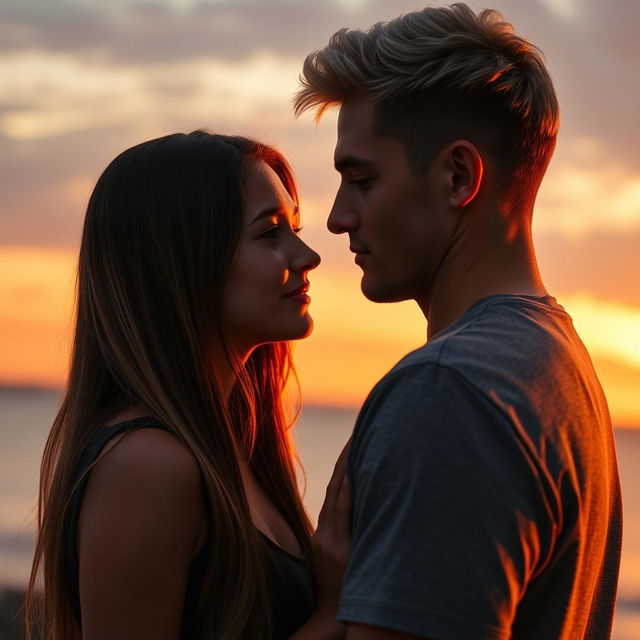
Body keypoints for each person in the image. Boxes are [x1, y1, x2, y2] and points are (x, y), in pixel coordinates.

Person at [295, 3, 621, 639]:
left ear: (459, 175)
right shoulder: (553, 364)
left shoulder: (451, 392)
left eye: (361, 179)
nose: (337, 218)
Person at [25, 131, 351, 640]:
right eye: (270, 234)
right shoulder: (147, 465)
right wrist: (330, 618)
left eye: (295, 228)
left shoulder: (233, 448)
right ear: (180, 259)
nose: (307, 255)